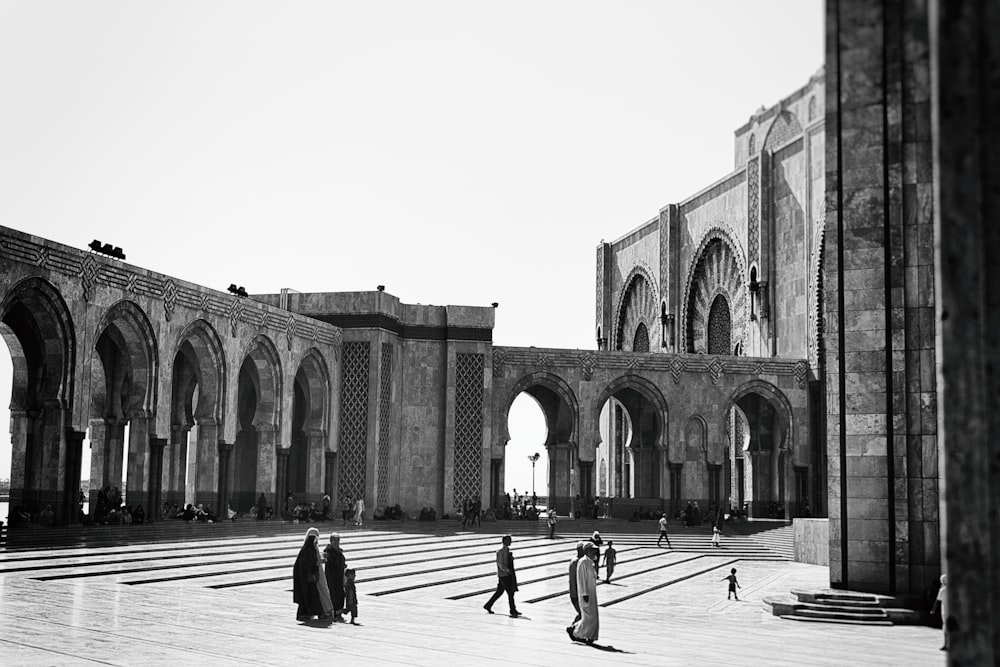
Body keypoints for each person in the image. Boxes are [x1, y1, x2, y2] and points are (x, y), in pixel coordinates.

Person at [293, 529, 330, 621]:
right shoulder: (309, 549)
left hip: (306, 577)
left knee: (308, 595)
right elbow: (308, 563)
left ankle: (307, 613)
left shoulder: (307, 548)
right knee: (311, 595)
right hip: (308, 577)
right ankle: (319, 613)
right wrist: (315, 568)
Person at [568, 542, 600, 644]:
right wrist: (584, 594)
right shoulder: (582, 562)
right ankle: (575, 631)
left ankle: (589, 636)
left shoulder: (590, 562)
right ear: (587, 551)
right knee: (589, 618)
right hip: (585, 595)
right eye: (592, 550)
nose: (594, 552)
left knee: (593, 617)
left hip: (591, 594)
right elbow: (581, 580)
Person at [483, 535, 519, 617]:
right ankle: (512, 610)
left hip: (506, 574)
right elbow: (500, 563)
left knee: (499, 592)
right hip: (503, 575)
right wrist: (507, 570)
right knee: (510, 592)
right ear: (504, 541)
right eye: (509, 540)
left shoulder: (506, 549)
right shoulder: (500, 550)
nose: (510, 542)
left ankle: (488, 605)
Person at [324, 533, 347, 622]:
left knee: (340, 593)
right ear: (331, 541)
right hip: (332, 576)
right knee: (334, 593)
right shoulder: (329, 551)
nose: (337, 542)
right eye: (335, 540)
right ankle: (333, 611)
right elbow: (335, 561)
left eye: (338, 540)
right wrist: (339, 553)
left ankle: (338, 611)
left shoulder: (336, 550)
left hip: (339, 575)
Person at [568, 541, 585, 623]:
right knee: (583, 614)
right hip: (577, 593)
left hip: (574, 592)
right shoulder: (577, 561)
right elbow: (578, 579)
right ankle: (573, 629)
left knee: (582, 614)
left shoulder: (574, 560)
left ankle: (575, 630)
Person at [931, 574, 948, 651]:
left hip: (945, 612)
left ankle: (946, 644)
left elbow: (937, 601)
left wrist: (933, 610)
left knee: (945, 628)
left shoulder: (942, 591)